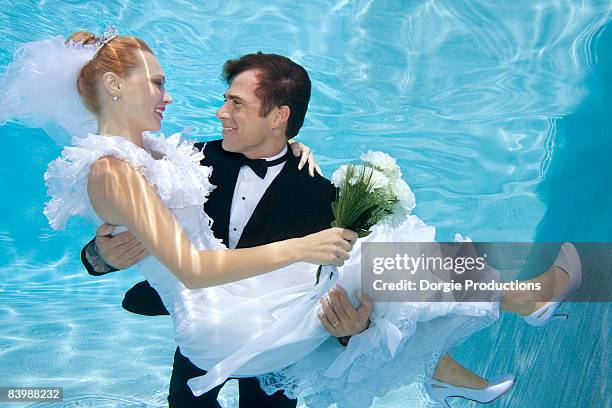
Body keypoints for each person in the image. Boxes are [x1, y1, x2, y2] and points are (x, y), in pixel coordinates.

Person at [1, 30, 582, 408]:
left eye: (235, 102)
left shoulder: (305, 181)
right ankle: (493, 325)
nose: (194, 104)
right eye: (157, 83)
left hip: (252, 303)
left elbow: (117, 124)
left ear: (278, 118)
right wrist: (102, 254)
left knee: (380, 270)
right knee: (379, 267)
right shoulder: (159, 160)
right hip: (216, 316)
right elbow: (179, 252)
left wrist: (96, 56)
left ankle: (452, 356)